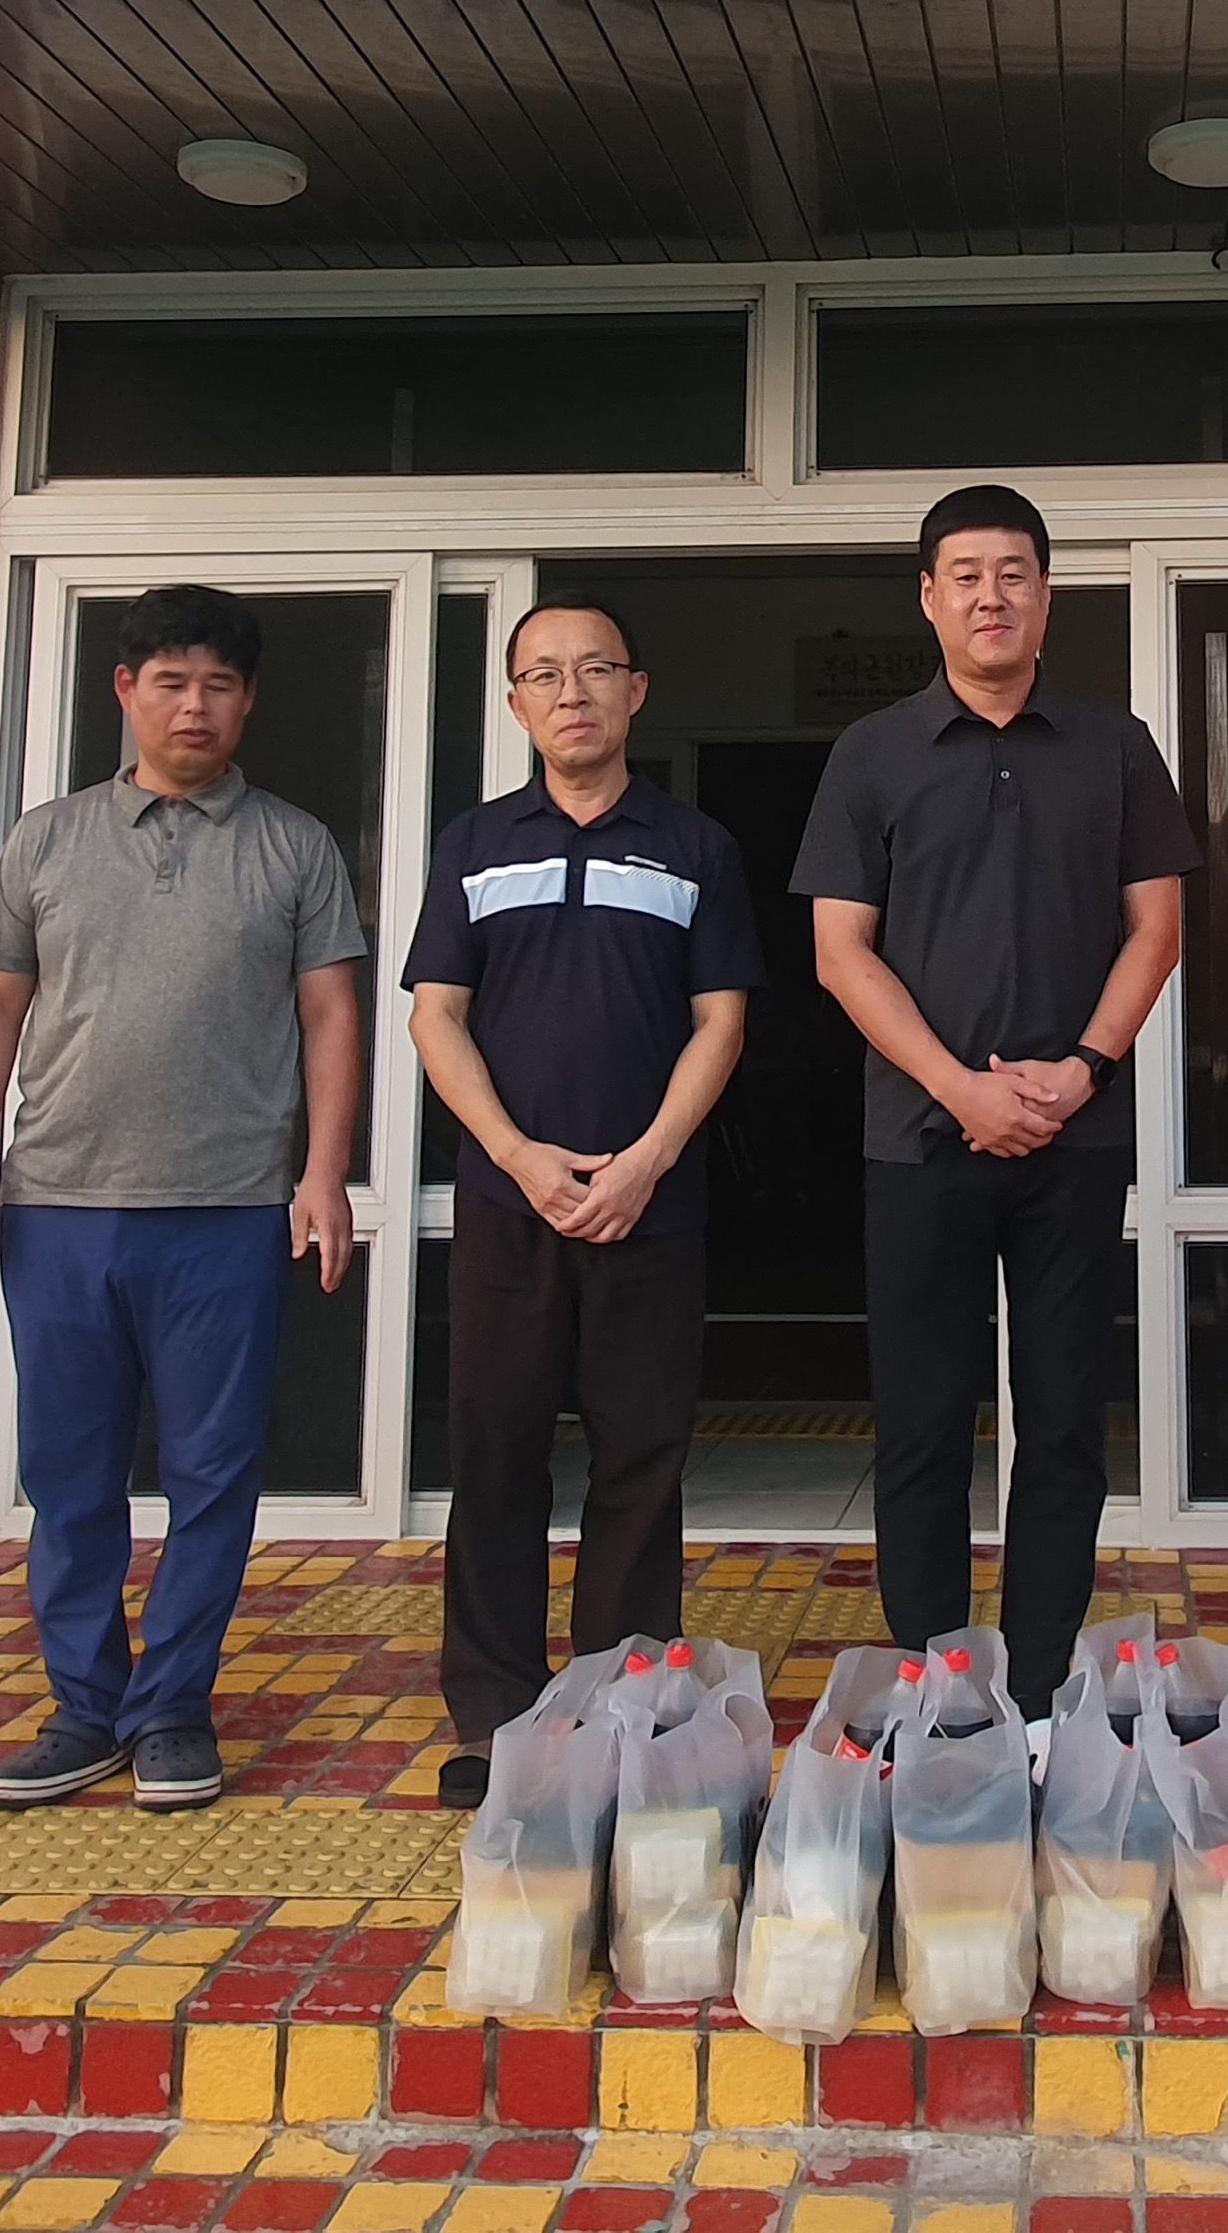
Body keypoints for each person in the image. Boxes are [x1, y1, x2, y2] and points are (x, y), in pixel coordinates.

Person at [0, 585, 367, 1813]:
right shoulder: (44, 842)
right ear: (125, 689)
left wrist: (323, 1172)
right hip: (57, 1205)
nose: (195, 707)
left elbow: (331, 1016)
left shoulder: (294, 846)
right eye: (171, 682)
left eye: (219, 685)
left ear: (248, 701)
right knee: (68, 1475)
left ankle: (173, 1708)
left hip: (227, 1210)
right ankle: (83, 1709)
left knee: (212, 1473)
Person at [794, 484, 1195, 1728]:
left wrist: (1084, 1069)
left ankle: (1035, 1683)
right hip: (920, 1141)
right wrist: (959, 1085)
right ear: (928, 598)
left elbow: (1157, 927)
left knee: (1065, 1423)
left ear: (1046, 595)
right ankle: (933, 1683)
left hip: (1076, 1137)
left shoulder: (1115, 744)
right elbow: (839, 952)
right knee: (921, 1423)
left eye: (1013, 573)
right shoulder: (871, 753)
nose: (990, 596)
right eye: (964, 575)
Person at [407, 596, 762, 1809]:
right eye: (545, 674)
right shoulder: (472, 845)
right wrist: (517, 1156)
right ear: (514, 702)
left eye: (596, 669)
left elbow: (722, 1021)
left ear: (635, 691)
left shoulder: (695, 848)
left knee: (640, 1463)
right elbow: (435, 1017)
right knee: (494, 1456)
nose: (572, 692)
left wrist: (648, 1159)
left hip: (649, 1209)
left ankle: (623, 1708)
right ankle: (493, 1717)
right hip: (510, 1209)